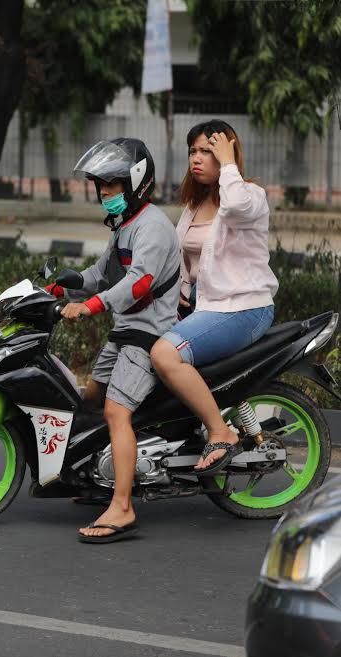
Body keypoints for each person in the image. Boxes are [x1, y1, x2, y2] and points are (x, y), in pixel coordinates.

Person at [52, 138, 181, 543]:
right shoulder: (125, 225)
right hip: (126, 331)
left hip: (148, 335)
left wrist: (89, 306)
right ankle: (97, 479)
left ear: (136, 183)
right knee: (89, 401)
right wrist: (63, 287)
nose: (103, 192)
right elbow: (101, 273)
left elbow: (139, 283)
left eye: (111, 184)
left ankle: (123, 507)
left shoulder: (153, 226)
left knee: (115, 413)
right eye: (100, 185)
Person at [150, 120, 277, 475]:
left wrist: (230, 163)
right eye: (193, 150)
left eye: (209, 150)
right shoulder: (194, 205)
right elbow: (187, 265)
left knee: (165, 354)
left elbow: (234, 204)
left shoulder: (250, 196)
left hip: (244, 308)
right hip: (206, 309)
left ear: (229, 152)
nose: (198, 158)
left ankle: (221, 432)